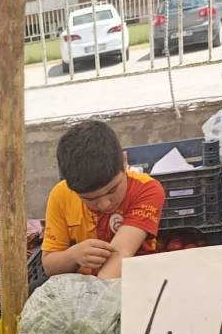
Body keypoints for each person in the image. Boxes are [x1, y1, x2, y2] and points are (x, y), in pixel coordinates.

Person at [40, 120, 166, 280]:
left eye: (112, 190)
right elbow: (49, 266)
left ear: (124, 161)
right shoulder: (60, 196)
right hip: (83, 286)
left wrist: (98, 301)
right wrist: (73, 255)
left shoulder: (147, 190)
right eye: (90, 199)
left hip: (133, 281)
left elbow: (121, 252)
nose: (105, 204)